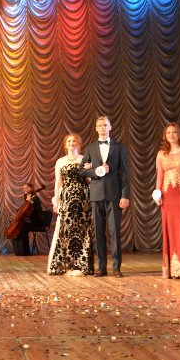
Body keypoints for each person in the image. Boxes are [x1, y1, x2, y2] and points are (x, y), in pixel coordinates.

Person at [80, 116, 131, 278]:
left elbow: (125, 173)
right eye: (100, 125)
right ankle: (101, 267)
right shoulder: (90, 148)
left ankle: (116, 267)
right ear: (96, 128)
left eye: (105, 125)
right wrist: (96, 171)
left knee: (115, 232)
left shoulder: (119, 147)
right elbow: (81, 170)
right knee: (99, 232)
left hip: (114, 195)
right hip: (96, 195)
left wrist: (125, 195)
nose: (102, 127)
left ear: (110, 127)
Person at [154, 122, 180, 279]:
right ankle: (171, 269)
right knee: (169, 229)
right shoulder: (161, 154)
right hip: (167, 197)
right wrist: (157, 194)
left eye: (174, 132)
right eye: (168, 132)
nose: (171, 135)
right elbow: (160, 176)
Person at [48, 132, 93, 276]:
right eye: (69, 141)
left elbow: (89, 181)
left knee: (82, 230)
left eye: (74, 141)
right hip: (67, 198)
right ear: (65, 144)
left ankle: (82, 265)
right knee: (67, 230)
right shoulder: (60, 161)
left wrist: (90, 170)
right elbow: (58, 182)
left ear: (78, 144)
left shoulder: (84, 159)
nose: (71, 143)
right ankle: (67, 264)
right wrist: (56, 200)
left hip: (82, 198)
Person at [11, 183, 43, 256]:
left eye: (26, 187)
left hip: (35, 222)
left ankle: (24, 252)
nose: (24, 189)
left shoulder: (35, 199)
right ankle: (19, 251)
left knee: (21, 228)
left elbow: (39, 213)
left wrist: (32, 203)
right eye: (23, 188)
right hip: (28, 222)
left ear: (31, 188)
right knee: (17, 228)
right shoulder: (27, 199)